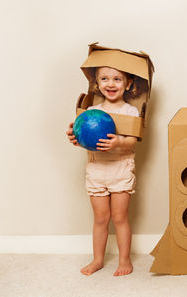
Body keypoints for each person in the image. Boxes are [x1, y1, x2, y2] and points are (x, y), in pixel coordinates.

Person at [67, 66, 140, 276]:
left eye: (118, 79)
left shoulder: (130, 112)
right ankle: (98, 259)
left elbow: (133, 142)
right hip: (97, 169)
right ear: (96, 84)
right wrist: (75, 138)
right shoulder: (90, 112)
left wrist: (118, 143)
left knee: (120, 217)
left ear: (128, 84)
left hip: (120, 169)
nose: (111, 83)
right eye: (105, 79)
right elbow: (84, 139)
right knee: (100, 218)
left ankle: (125, 260)